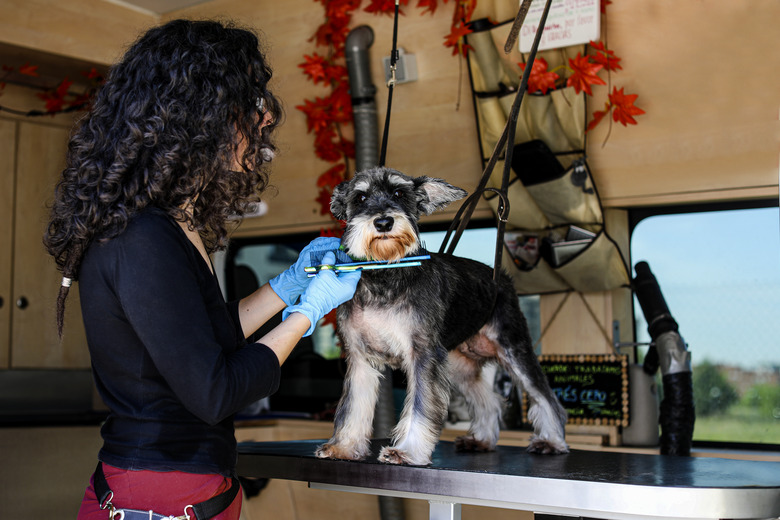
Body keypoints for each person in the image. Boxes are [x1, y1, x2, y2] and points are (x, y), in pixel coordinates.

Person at [43, 19, 361, 520]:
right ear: (200, 115)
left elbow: (203, 339)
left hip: (186, 487)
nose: (262, 120)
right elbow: (215, 391)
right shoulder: (141, 237)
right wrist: (309, 311)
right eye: (248, 103)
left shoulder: (168, 226)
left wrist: (289, 285)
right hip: (158, 494)